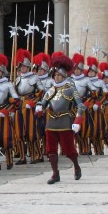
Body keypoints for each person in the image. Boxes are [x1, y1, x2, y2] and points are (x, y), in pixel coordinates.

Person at [35, 53, 85, 184]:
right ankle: (55, 174)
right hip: (51, 122)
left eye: (59, 75)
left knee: (69, 150)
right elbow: (43, 104)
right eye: (55, 75)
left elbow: (81, 106)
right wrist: (39, 108)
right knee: (50, 150)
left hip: (65, 121)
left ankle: (76, 166)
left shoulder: (70, 88)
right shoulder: (50, 90)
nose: (57, 77)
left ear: (64, 76)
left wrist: (77, 121)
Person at [14, 49, 44, 165]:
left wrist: (34, 101)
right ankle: (22, 156)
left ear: (28, 67)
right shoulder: (17, 79)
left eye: (24, 66)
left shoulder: (35, 78)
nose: (22, 68)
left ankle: (37, 154)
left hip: (30, 107)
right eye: (21, 66)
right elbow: (15, 94)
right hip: (20, 107)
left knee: (32, 132)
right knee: (20, 132)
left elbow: (41, 91)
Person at [0, 53, 19, 171]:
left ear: (3, 72)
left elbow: (15, 99)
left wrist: (6, 110)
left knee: (6, 138)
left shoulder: (8, 84)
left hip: (3, 112)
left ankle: (9, 160)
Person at [71, 53, 97, 155]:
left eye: (78, 69)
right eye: (75, 69)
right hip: (72, 106)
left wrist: (87, 103)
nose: (76, 71)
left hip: (82, 106)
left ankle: (86, 148)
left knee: (84, 128)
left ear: (81, 70)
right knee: (73, 128)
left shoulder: (86, 80)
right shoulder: (70, 79)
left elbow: (94, 93)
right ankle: (79, 148)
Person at [86, 56, 108, 155]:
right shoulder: (85, 81)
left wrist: (98, 103)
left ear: (95, 72)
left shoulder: (100, 82)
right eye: (89, 71)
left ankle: (99, 149)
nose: (90, 73)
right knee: (86, 128)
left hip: (97, 108)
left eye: (92, 71)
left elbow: (105, 94)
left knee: (98, 129)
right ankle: (87, 148)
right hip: (87, 107)